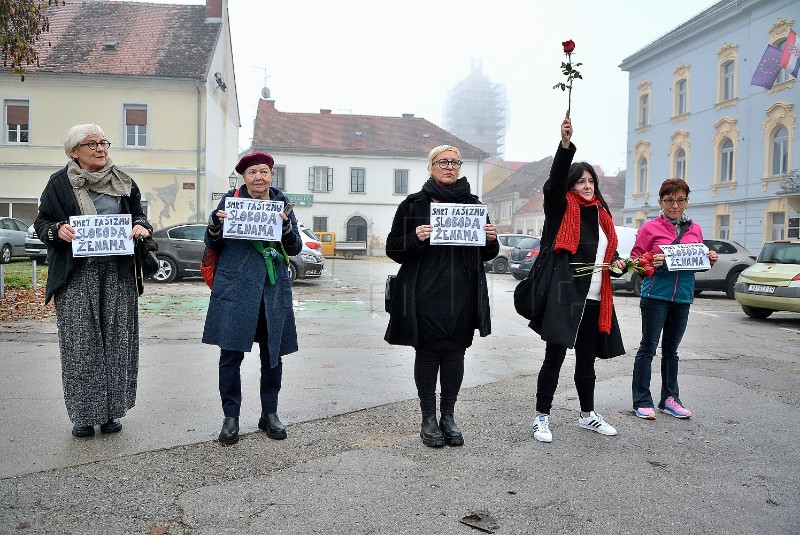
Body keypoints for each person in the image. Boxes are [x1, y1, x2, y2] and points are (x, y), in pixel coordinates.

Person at [34, 123, 152, 438]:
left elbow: (138, 215)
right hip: (76, 273)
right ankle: (84, 415)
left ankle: (112, 413)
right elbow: (41, 221)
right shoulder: (59, 184)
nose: (101, 149)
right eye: (92, 144)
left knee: (116, 342)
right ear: (75, 152)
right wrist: (56, 229)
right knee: (80, 346)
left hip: (117, 273)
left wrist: (141, 226)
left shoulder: (123, 181)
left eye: (103, 143)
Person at [384, 145, 500, 448]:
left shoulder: (473, 205)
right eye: (443, 162)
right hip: (424, 294)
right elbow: (393, 249)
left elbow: (486, 253)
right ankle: (428, 418)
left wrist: (491, 239)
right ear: (431, 167)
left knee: (455, 354)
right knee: (428, 353)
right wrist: (416, 238)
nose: (449, 167)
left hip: (462, 294)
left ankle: (448, 416)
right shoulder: (413, 205)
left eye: (454, 162)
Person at [529, 116, 627, 443]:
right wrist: (565, 146)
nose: (586, 185)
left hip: (597, 297)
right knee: (553, 359)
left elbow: (608, 254)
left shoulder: (603, 214)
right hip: (565, 296)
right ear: (572, 185)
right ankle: (542, 417)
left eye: (590, 181)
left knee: (586, 362)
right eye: (580, 181)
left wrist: (620, 266)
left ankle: (588, 415)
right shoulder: (561, 208)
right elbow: (552, 184)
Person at [202, 152, 303, 445]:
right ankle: (230, 417)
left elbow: (294, 246)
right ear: (244, 178)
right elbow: (212, 242)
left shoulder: (283, 204)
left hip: (271, 289)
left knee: (273, 354)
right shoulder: (230, 202)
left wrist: (285, 228)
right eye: (252, 173)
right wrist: (214, 225)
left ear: (271, 175)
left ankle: (269, 413)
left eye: (264, 172)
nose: (258, 177)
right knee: (230, 355)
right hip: (236, 287)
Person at [630, 179, 718, 420]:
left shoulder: (695, 230)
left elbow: (695, 262)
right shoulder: (650, 228)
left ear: (687, 201)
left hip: (682, 298)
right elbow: (635, 261)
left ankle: (670, 398)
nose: (675, 205)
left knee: (672, 351)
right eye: (669, 200)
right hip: (655, 296)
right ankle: (642, 400)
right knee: (648, 349)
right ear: (661, 202)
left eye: (680, 200)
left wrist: (708, 259)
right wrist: (650, 261)